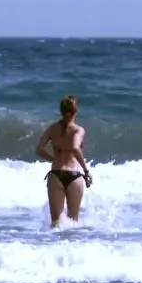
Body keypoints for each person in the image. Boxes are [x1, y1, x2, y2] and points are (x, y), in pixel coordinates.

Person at [35, 95, 93, 227]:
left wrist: (53, 158)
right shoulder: (78, 130)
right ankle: (70, 248)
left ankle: (55, 247)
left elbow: (39, 150)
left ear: (61, 111)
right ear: (76, 111)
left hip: (56, 175)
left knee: (55, 224)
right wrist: (86, 170)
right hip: (74, 176)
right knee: (73, 223)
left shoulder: (52, 129)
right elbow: (75, 147)